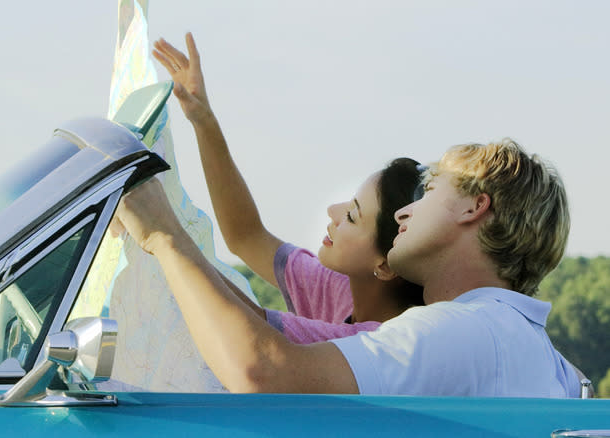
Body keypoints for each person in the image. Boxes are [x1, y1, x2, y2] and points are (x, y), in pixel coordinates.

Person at [113, 37, 580, 397]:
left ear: (474, 208)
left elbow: (262, 368)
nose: (405, 211)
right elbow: (247, 237)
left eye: (432, 191)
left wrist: (164, 235)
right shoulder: (525, 347)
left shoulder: (464, 332)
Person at [151, 34, 423, 344]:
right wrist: (202, 120)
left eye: (352, 216)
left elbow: (247, 331)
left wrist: (162, 234)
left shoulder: (386, 344)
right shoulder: (340, 289)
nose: (333, 211)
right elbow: (246, 236)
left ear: (386, 265)